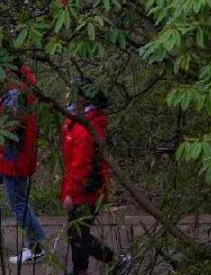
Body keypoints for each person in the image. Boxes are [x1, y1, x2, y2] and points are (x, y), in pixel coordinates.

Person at [0, 65, 46, 264]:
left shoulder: (21, 94)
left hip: (14, 159)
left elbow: (8, 126)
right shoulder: (9, 88)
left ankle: (36, 246)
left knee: (18, 203)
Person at [61, 77, 132, 275]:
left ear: (82, 97)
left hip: (86, 190)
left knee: (78, 235)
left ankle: (82, 270)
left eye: (71, 90)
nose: (67, 93)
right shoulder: (77, 120)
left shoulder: (85, 128)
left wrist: (70, 194)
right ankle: (115, 261)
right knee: (77, 234)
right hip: (85, 187)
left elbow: (81, 166)